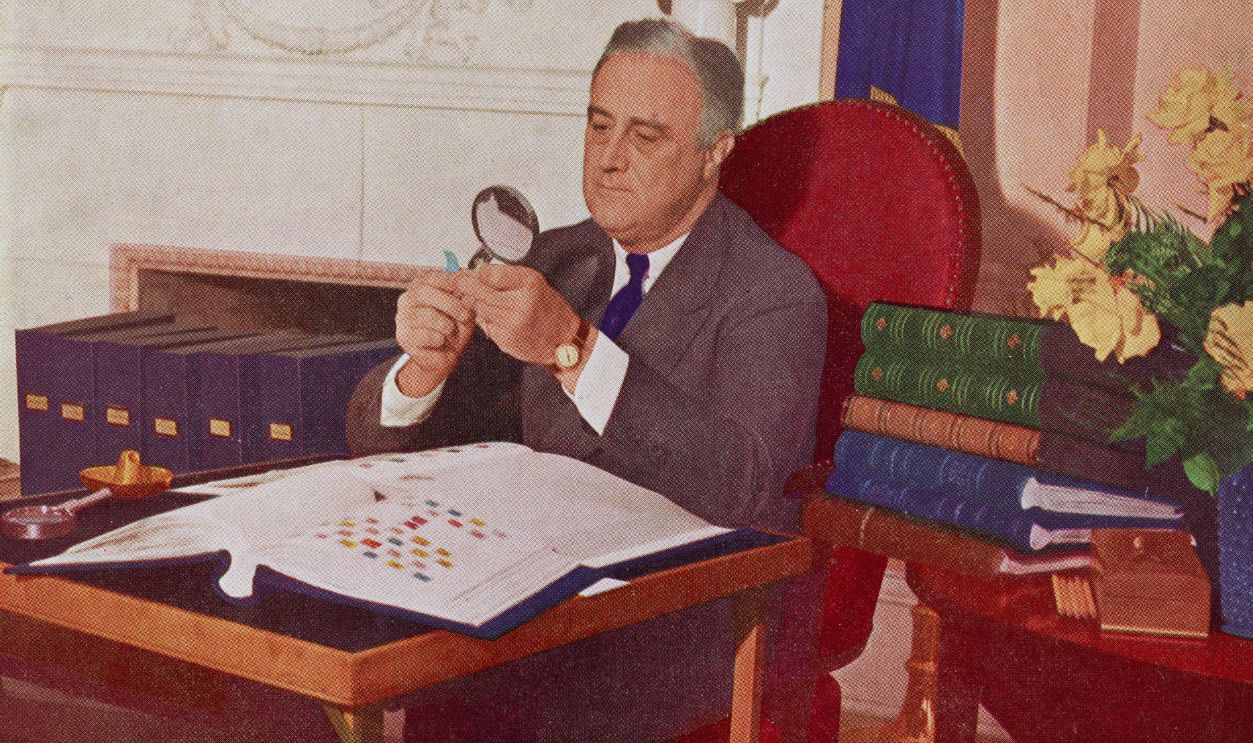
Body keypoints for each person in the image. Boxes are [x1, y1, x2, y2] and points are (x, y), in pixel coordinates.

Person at [347, 17, 827, 742]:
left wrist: (571, 348)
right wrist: (425, 368)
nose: (607, 159)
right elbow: (383, 446)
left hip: (663, 632)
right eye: (598, 126)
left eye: (645, 136)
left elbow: (746, 483)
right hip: (513, 605)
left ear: (712, 153)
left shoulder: (773, 293)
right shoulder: (552, 256)